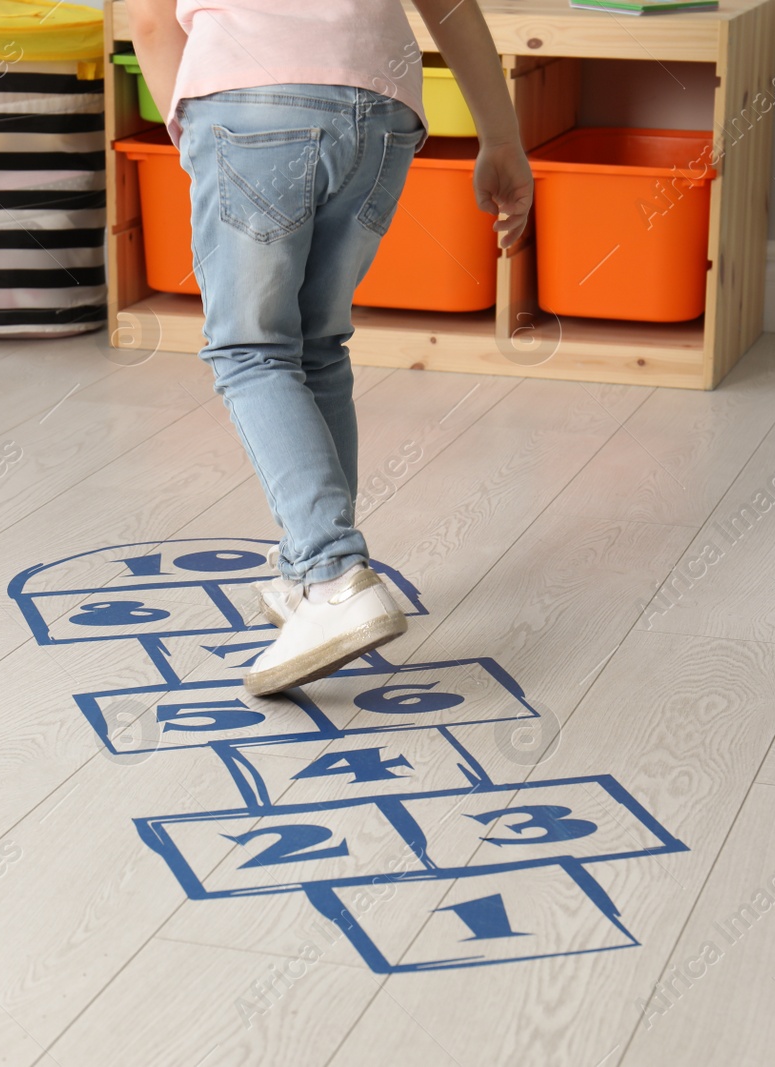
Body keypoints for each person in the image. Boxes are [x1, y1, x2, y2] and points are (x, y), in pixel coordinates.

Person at [128, 0, 533, 696]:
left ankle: (333, 575)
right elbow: (452, 8)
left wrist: (197, 140)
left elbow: (147, 22)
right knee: (316, 344)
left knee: (251, 350)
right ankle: (303, 572)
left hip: (250, 104)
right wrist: (500, 138)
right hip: (380, 110)